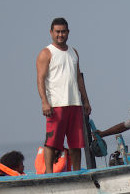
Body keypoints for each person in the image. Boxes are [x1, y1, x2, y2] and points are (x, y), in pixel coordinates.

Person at [36, 17, 91, 174]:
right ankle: (49, 173)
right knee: (52, 142)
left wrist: (86, 101)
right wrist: (44, 102)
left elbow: (78, 77)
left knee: (76, 142)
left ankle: (77, 172)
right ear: (51, 32)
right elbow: (40, 79)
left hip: (74, 103)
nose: (60, 35)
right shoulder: (46, 53)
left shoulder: (74, 52)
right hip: (56, 104)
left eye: (63, 31)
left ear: (68, 32)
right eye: (57, 32)